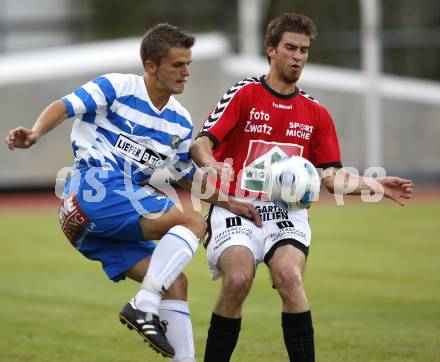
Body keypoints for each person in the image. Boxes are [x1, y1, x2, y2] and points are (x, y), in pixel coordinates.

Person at [5, 23, 260, 361]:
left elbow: (186, 178)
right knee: (191, 224)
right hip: (93, 191)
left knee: (175, 283)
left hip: (86, 223)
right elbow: (64, 106)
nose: (186, 72)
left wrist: (231, 202)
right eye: (177, 65)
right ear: (150, 66)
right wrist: (35, 133)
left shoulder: (180, 123)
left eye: (189, 64)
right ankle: (144, 304)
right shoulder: (117, 87)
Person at [190, 13, 414, 362]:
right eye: (290, 48)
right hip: (236, 206)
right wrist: (211, 163)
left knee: (289, 277)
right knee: (237, 280)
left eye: (304, 50)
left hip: (286, 214)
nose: (297, 56)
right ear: (271, 50)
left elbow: (331, 177)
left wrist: (375, 184)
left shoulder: (315, 113)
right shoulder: (245, 93)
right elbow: (201, 142)